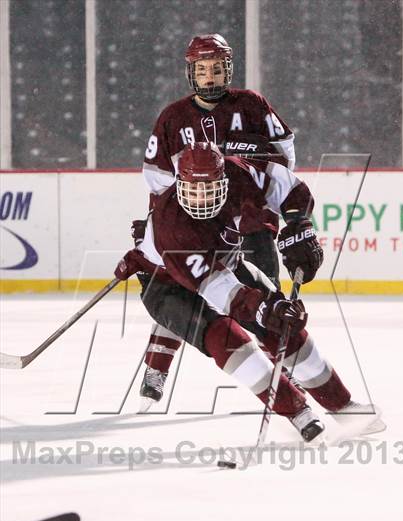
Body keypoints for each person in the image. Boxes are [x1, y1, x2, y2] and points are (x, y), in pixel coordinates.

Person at [116, 143, 384, 438]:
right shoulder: (172, 223)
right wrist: (261, 308)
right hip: (167, 284)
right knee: (227, 338)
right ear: (179, 184)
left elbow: (288, 186)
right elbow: (218, 289)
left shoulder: (241, 173)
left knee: (285, 327)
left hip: (227, 262)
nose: (202, 199)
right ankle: (296, 410)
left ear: (224, 179)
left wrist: (299, 225)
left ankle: (343, 406)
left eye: (209, 188)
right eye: (194, 190)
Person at [137, 33, 297, 407]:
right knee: (183, 290)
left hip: (251, 222)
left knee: (267, 298)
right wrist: (157, 223)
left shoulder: (253, 105)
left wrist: (254, 160)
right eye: (203, 70)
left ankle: (283, 371)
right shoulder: (173, 118)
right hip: (198, 225)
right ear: (192, 73)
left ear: (228, 69)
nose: (210, 77)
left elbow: (284, 158)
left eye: (217, 69)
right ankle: (156, 368)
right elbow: (159, 181)